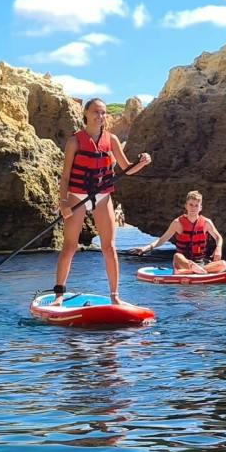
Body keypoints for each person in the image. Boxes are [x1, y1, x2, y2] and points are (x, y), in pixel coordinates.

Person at [53, 97, 151, 304]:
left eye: (104, 112)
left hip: (102, 195)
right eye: (96, 112)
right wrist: (63, 203)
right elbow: (65, 176)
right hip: (77, 195)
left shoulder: (112, 139)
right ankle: (59, 295)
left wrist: (142, 163)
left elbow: (127, 169)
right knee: (70, 246)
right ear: (86, 114)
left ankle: (115, 296)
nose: (100, 116)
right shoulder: (74, 141)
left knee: (109, 247)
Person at [143, 190, 226, 274]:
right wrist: (147, 248)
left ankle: (193, 271)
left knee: (223, 264)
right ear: (186, 206)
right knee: (177, 256)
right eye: (191, 205)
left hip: (200, 262)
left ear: (200, 208)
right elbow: (162, 239)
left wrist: (218, 248)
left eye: (196, 205)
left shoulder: (206, 222)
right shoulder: (177, 223)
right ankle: (194, 269)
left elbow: (218, 237)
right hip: (183, 262)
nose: (193, 208)